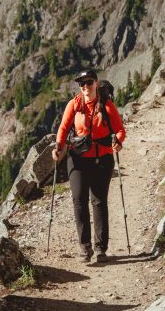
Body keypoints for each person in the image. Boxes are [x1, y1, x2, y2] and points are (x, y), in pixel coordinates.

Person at [51, 69, 126, 264]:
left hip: (102, 159)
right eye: (81, 83)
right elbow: (64, 128)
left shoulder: (106, 105)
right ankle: (85, 248)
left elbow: (119, 129)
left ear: (96, 82)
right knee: (78, 200)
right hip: (78, 158)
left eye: (89, 82)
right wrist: (59, 146)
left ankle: (101, 248)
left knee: (99, 201)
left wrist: (117, 141)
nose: (85, 86)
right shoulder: (74, 104)